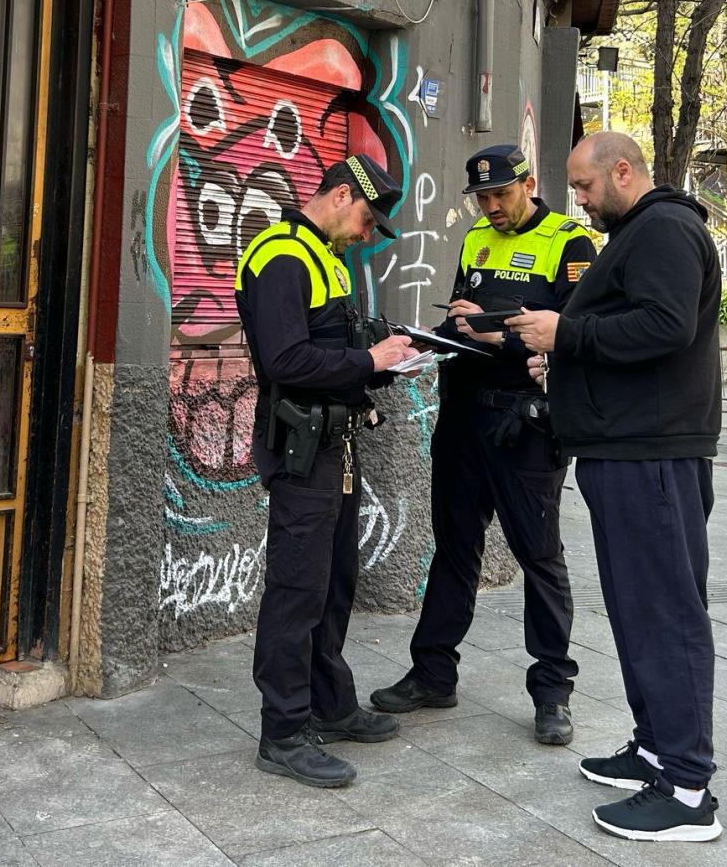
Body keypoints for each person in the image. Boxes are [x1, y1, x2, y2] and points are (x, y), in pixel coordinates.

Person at [506, 131, 724, 843]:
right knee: (638, 611)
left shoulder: (664, 229)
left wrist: (565, 336)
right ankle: (657, 748)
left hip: (651, 457)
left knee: (664, 612)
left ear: (622, 171)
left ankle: (689, 789)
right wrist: (568, 362)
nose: (578, 198)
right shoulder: (641, 231)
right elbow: (629, 333)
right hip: (627, 452)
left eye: (584, 185)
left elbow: (663, 327)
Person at [371, 144, 595, 747]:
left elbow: (572, 340)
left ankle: (552, 692)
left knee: (539, 559)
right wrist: (424, 342)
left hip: (525, 425)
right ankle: (432, 673)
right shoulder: (474, 239)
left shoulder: (569, 243)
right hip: (464, 419)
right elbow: (461, 323)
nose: (492, 207)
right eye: (483, 197)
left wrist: (496, 333)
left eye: (501, 195)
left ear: (527, 184)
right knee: (453, 550)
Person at [235, 153, 421, 789]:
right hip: (301, 446)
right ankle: (283, 732)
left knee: (335, 581)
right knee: (297, 590)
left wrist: (386, 357)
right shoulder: (280, 254)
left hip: (338, 445)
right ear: (341, 196)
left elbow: (333, 348)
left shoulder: (327, 257)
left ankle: (330, 704)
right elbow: (286, 360)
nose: (368, 234)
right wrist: (369, 361)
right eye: (368, 219)